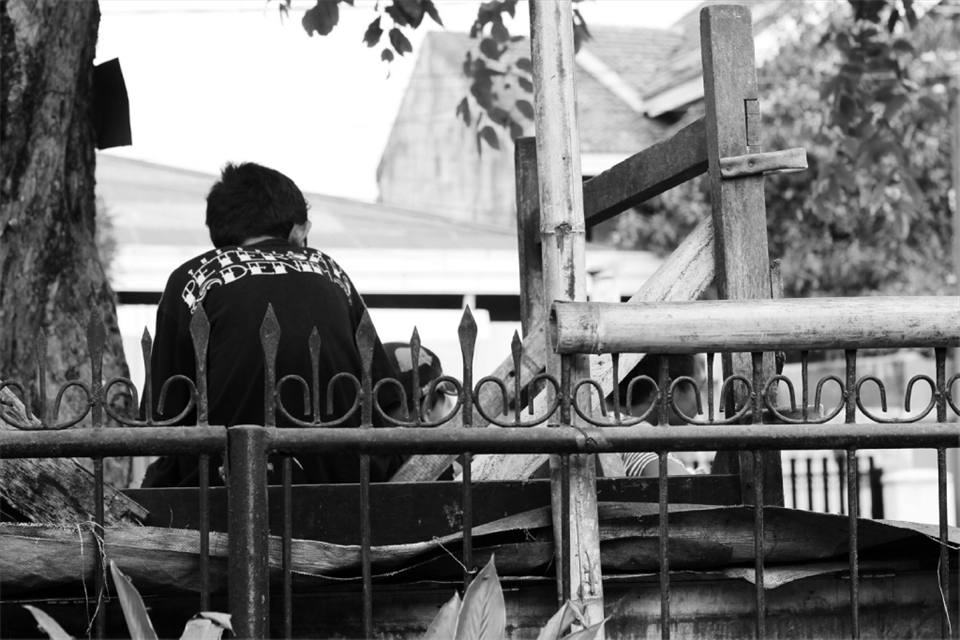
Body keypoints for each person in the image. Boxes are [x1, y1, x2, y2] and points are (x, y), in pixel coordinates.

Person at [141, 162, 403, 487]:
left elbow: (164, 420)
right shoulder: (329, 271)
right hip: (342, 486)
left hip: (226, 490)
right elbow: (386, 399)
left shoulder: (193, 279)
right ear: (298, 229)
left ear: (219, 231)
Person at [609, 354, 705, 477]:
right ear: (664, 390)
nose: (701, 399)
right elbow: (678, 485)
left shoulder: (613, 422)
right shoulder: (634, 433)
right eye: (699, 387)